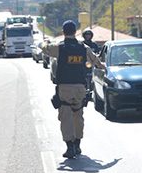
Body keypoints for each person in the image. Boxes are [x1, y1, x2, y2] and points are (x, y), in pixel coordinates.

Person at [43, 20, 103, 159]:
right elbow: (96, 62)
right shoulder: (83, 48)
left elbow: (45, 49)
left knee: (66, 116)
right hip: (80, 87)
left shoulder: (60, 48)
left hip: (65, 87)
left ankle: (70, 147)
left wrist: (43, 43)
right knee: (78, 115)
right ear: (75, 32)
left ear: (64, 32)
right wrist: (105, 69)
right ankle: (78, 144)